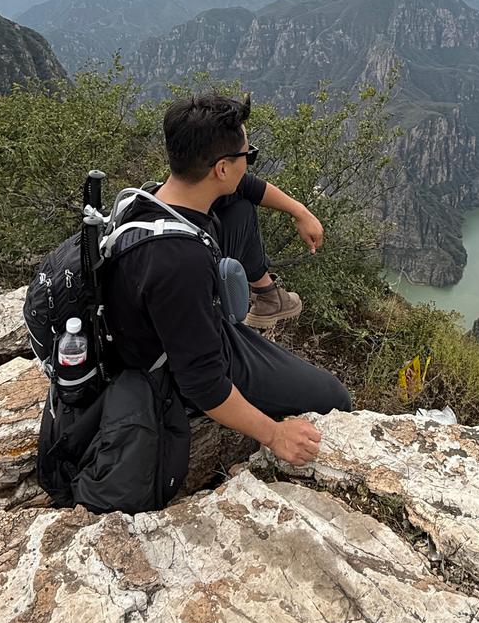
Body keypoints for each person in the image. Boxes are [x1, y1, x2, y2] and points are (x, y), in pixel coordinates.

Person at [102, 92, 352, 466]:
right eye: (247, 156)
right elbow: (202, 382)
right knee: (334, 398)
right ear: (221, 168)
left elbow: (246, 187)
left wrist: (300, 211)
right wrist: (275, 434)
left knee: (238, 207)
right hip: (176, 358)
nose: (248, 163)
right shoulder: (179, 264)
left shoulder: (156, 196)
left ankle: (267, 297)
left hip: (164, 312)